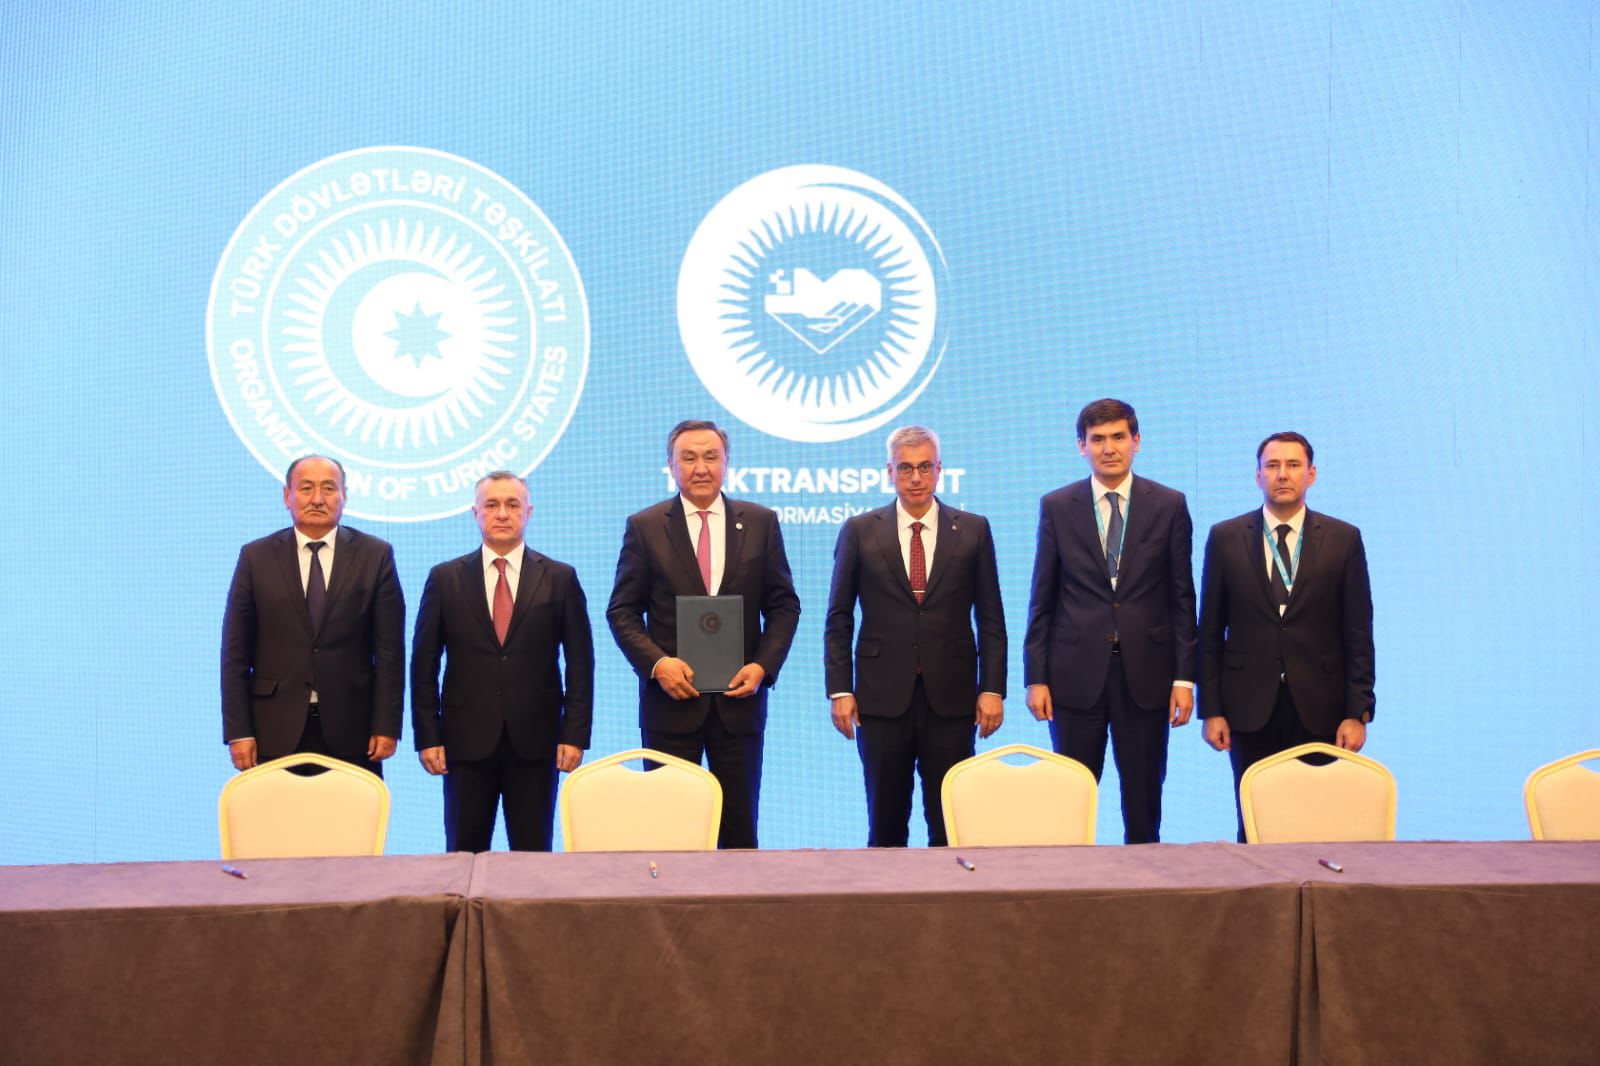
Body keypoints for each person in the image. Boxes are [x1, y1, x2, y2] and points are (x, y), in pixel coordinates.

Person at [606, 420, 801, 849]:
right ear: (671, 466)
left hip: (739, 705)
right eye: (688, 458)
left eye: (711, 457)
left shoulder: (761, 523)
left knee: (738, 835)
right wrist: (658, 665)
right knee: (671, 836)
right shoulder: (646, 526)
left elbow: (785, 605)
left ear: (727, 463)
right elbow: (621, 610)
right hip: (670, 706)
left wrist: (763, 666)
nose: (700, 468)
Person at [1023, 399, 1197, 844]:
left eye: (1119, 437)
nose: (1109, 448)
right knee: (1072, 801)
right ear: (1081, 447)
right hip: (1073, 677)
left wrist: (1184, 678)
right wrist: (1035, 677)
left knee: (1143, 802)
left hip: (1147, 676)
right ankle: (1069, 895)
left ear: (1136, 442)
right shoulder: (1058, 506)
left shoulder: (1170, 505)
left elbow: (1181, 597)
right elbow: (1042, 596)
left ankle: (1145, 897)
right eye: (1097, 439)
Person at [825, 426, 1006, 847]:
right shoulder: (860, 531)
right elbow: (838, 618)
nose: (916, 478)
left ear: (939, 469)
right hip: (880, 698)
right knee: (885, 825)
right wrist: (840, 690)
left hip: (953, 697)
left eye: (925, 467)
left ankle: (952, 911)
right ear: (889, 472)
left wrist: (992, 688)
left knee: (950, 825)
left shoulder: (974, 529)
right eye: (905, 468)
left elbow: (992, 618)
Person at [1199, 431, 1375, 840]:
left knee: (1318, 820)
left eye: (1293, 465)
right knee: (1255, 821)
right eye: (1273, 466)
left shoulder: (1343, 539)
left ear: (1311, 474)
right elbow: (1209, 629)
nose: (1283, 475)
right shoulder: (1226, 538)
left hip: (1322, 705)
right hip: (1247, 706)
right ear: (1257, 475)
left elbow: (1358, 632)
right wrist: (1212, 709)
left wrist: (1358, 710)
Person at [411, 471, 595, 852]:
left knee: (532, 859)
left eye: (512, 504)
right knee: (463, 854)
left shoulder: (560, 578)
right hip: (464, 743)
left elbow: (580, 663)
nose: (502, 513)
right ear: (475, 513)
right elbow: (424, 664)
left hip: (537, 741)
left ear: (528, 512)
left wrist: (574, 734)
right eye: (492, 504)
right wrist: (428, 735)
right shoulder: (445, 579)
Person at [221, 455, 404, 775]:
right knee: (278, 825)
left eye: (329, 488)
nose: (317, 499)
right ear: (287, 496)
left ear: (344, 495)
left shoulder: (375, 555)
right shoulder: (256, 557)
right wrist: (239, 731)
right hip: (273, 730)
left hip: (354, 732)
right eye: (306, 488)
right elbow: (235, 653)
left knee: (350, 825)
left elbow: (390, 652)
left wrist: (387, 725)